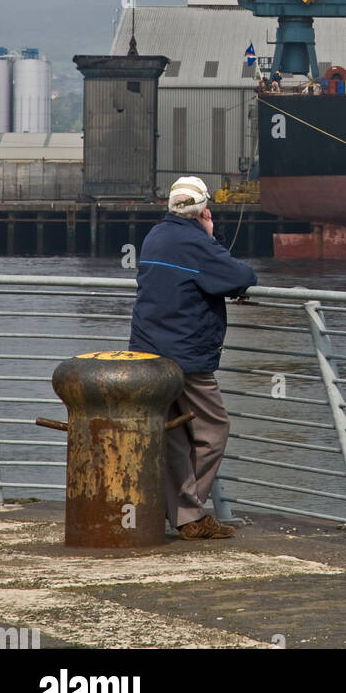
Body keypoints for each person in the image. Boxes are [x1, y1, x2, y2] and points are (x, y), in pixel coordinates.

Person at [129, 176, 257, 540]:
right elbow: (241, 276)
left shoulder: (155, 236)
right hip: (186, 358)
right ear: (203, 209)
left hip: (147, 352)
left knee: (174, 436)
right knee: (213, 429)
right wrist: (210, 234)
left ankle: (176, 509)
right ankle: (188, 512)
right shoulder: (194, 243)